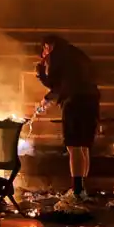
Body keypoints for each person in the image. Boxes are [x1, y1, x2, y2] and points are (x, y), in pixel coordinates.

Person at [35, 35, 100, 200]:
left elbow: (55, 83)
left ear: (48, 46)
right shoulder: (76, 53)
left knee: (74, 146)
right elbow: (67, 82)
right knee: (84, 145)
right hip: (91, 99)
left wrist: (41, 71)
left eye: (43, 50)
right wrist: (49, 98)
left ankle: (77, 191)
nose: (44, 54)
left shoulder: (56, 56)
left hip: (75, 102)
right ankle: (82, 188)